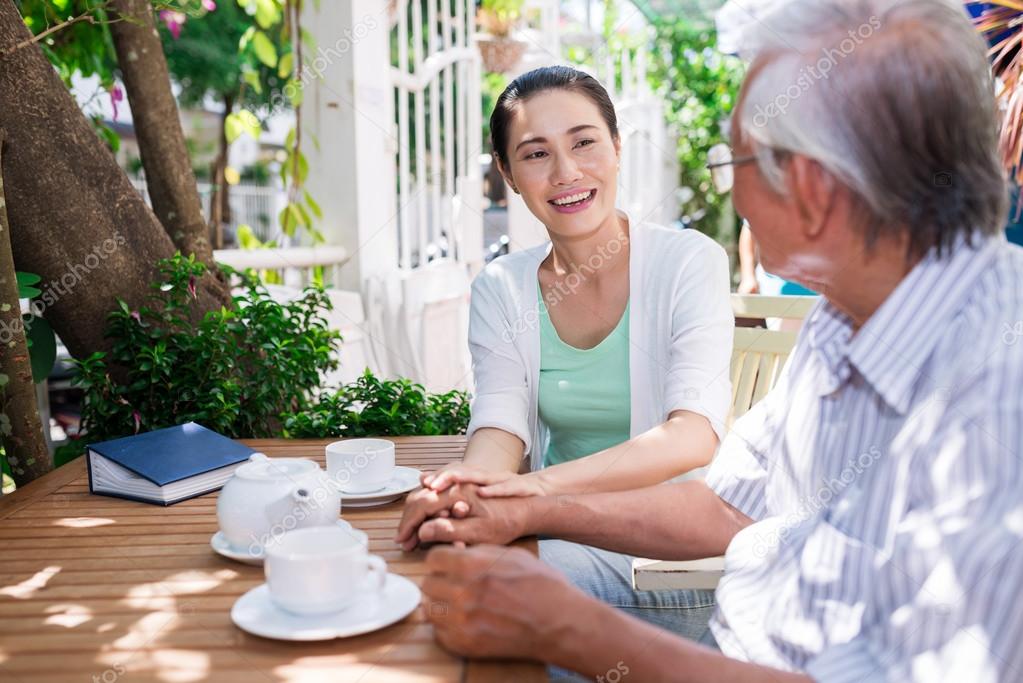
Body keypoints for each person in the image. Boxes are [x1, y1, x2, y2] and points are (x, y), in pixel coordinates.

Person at [406, 0, 1023, 679]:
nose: (729, 193)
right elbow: (729, 503)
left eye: (734, 162)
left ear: (812, 190)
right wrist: (528, 503)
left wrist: (571, 630)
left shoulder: (997, 403)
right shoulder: (846, 312)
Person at [396, 65, 734, 634]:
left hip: (667, 563)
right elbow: (499, 427)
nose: (566, 172)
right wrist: (471, 493)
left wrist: (528, 492)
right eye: (535, 154)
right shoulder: (502, 286)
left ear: (617, 147)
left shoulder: (688, 261)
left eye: (584, 142)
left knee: (469, 599)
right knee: (444, 566)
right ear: (507, 172)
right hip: (544, 533)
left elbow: (692, 435)